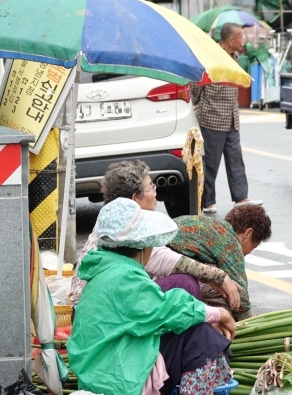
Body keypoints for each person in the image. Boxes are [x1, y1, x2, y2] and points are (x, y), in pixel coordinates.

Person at [68, 198, 236, 395]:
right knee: (200, 337)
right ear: (141, 247)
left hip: (106, 369)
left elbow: (158, 313)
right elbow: (169, 309)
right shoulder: (124, 278)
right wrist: (219, 313)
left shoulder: (103, 271)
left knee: (193, 328)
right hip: (120, 381)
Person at [70, 160, 243, 315]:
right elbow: (168, 261)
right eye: (151, 187)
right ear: (134, 199)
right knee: (185, 283)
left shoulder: (110, 218)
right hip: (102, 310)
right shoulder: (128, 230)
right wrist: (220, 278)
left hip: (94, 307)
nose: (155, 193)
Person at [191, 22, 262, 214]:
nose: (243, 40)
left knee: (235, 158)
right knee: (211, 162)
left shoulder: (235, 57)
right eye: (240, 36)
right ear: (231, 40)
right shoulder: (211, 57)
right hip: (212, 116)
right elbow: (197, 84)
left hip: (232, 116)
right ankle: (207, 202)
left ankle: (241, 197)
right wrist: (195, 102)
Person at [168, 204, 272, 321]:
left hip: (158, 264)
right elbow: (241, 297)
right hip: (163, 272)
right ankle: (218, 326)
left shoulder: (213, 226)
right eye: (253, 247)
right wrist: (249, 323)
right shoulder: (229, 241)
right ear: (248, 233)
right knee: (227, 289)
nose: (248, 253)